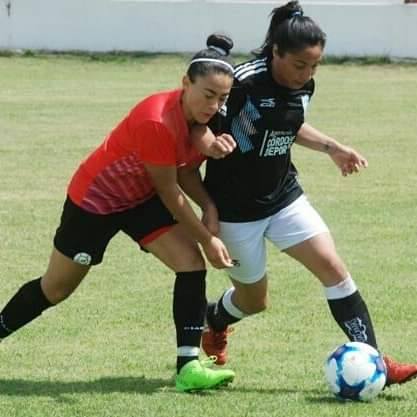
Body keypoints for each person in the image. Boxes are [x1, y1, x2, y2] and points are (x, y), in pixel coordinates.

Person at [192, 2, 417, 386]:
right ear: (275, 52)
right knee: (254, 301)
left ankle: (376, 361)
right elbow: (195, 128)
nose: (307, 75)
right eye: (300, 65)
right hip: (235, 211)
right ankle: (215, 321)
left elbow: (289, 124)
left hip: (283, 197)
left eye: (314, 66)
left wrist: (334, 147)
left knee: (334, 269)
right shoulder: (241, 83)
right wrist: (208, 203)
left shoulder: (304, 86)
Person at [0, 34, 238, 393]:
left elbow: (186, 168)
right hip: (95, 203)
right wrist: (208, 238)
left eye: (222, 98)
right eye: (208, 95)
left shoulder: (202, 118)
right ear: (185, 83)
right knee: (57, 288)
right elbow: (170, 192)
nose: (214, 106)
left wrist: (209, 206)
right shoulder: (157, 121)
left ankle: (188, 367)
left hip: (139, 200)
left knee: (190, 262)